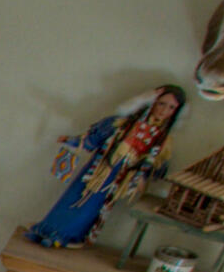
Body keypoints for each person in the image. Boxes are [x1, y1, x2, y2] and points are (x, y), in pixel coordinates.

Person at [19, 86, 186, 248]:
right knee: (73, 197)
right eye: (161, 103)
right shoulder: (123, 123)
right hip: (98, 169)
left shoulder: (163, 141)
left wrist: (142, 176)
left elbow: (157, 164)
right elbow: (94, 139)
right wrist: (74, 141)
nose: (164, 110)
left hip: (118, 177)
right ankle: (46, 229)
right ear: (151, 102)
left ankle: (64, 236)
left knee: (91, 207)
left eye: (171, 107)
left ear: (175, 112)